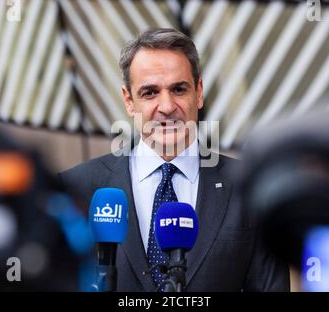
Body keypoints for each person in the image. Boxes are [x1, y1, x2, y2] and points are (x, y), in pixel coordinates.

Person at [60, 28, 289, 292]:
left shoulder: (250, 187)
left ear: (199, 92)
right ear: (129, 101)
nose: (167, 106)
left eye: (179, 89)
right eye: (150, 93)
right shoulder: (76, 188)